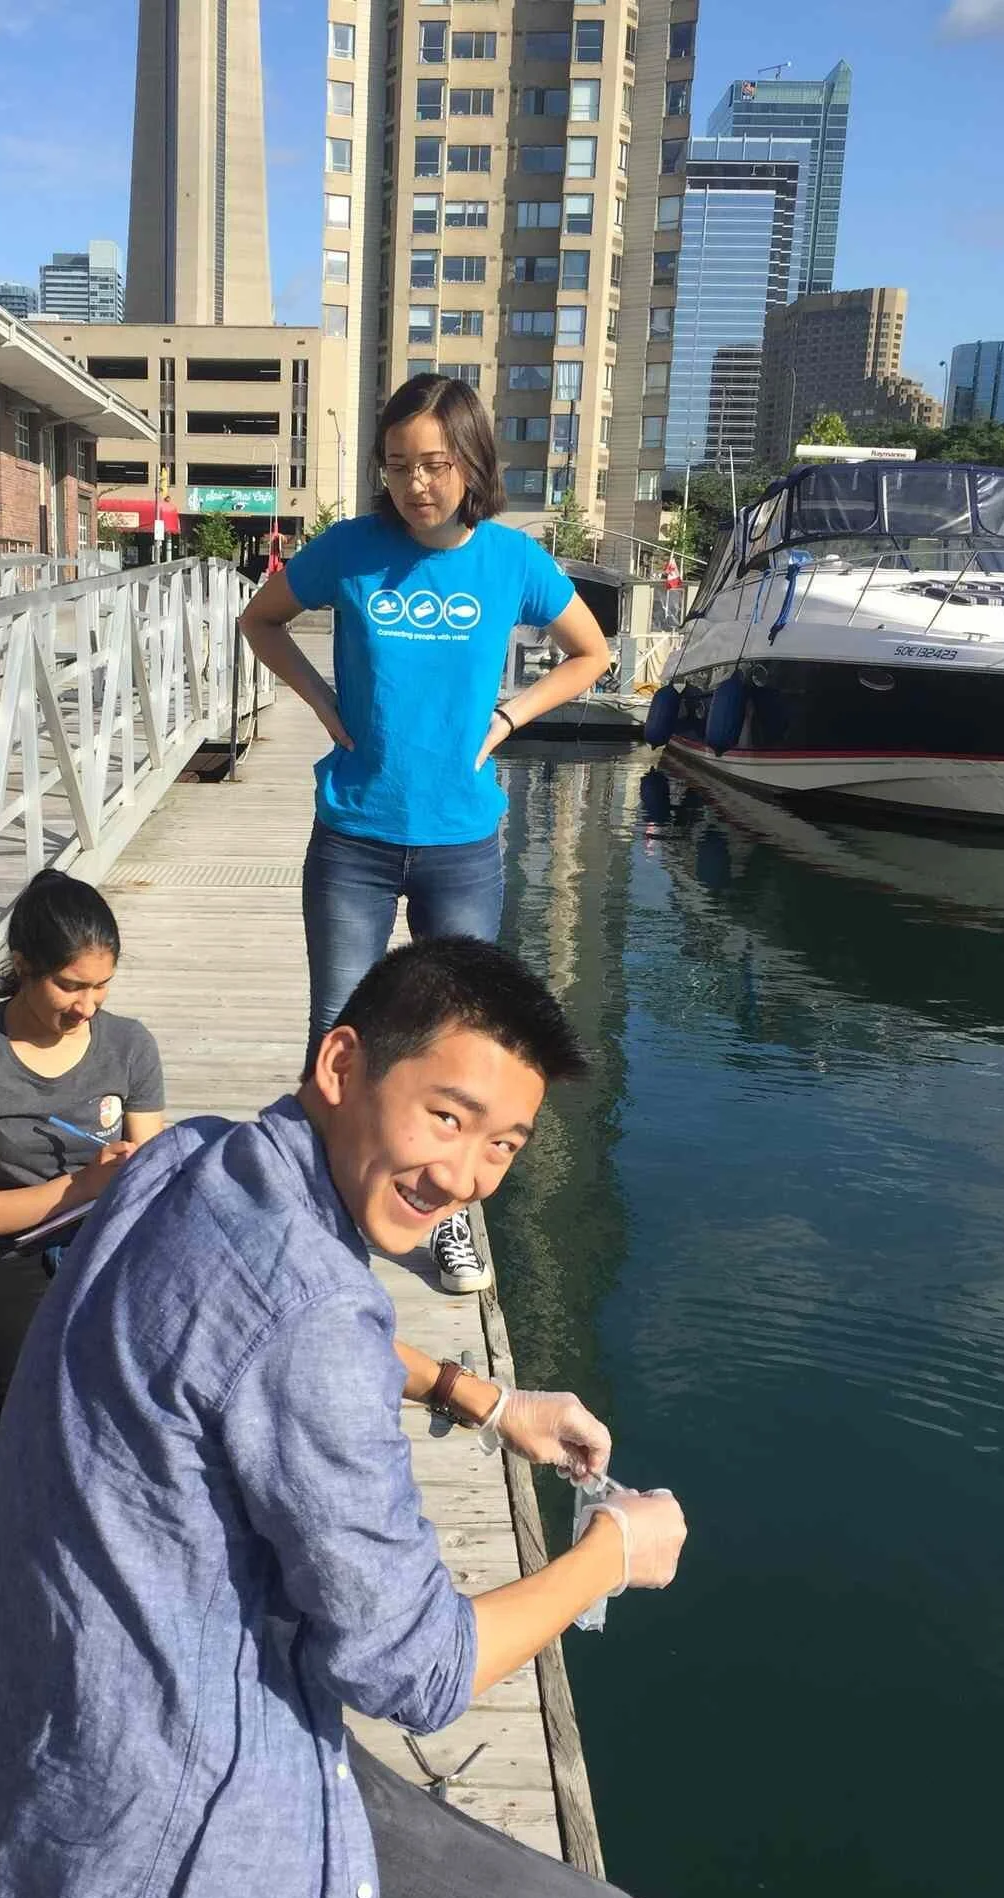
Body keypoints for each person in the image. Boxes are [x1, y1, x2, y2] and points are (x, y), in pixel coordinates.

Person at [0, 936, 688, 1898]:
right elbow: (413, 1673)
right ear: (342, 1064)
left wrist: (484, 1397)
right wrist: (613, 1553)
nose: (465, 1177)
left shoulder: (198, 1161)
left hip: (39, 1685)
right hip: (156, 1772)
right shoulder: (315, 1319)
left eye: (503, 1143)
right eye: (446, 1117)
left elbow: (269, 1331)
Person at [238, 375, 614, 1299]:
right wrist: (326, 706)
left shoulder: (510, 562)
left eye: (436, 465)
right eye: (399, 465)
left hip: (461, 843)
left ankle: (445, 1221)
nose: (416, 484)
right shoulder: (351, 551)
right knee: (338, 1033)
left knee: (461, 1048)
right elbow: (262, 621)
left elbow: (592, 652)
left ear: (473, 462)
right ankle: (316, 1216)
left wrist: (511, 718)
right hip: (355, 836)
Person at [0, 869, 166, 1427]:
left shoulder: (130, 1045)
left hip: (110, 1238)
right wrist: (81, 1186)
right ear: (23, 965)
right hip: (7, 1251)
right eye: (70, 986)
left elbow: (152, 1182)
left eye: (101, 985)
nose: (87, 1007)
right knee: (36, 1413)